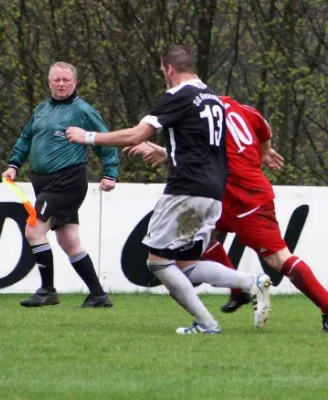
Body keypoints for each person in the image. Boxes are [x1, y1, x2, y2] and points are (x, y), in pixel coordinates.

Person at [66, 45, 272, 335]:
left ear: (170, 69)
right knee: (186, 263)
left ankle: (207, 324)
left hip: (185, 191)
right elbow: (200, 146)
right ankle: (250, 282)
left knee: (158, 263)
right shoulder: (211, 97)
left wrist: (87, 137)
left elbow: (137, 133)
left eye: (163, 71)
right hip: (212, 192)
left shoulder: (179, 96)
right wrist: (165, 152)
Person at [125, 95, 328, 333]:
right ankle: (238, 290)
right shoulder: (241, 109)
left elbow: (201, 155)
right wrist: (266, 151)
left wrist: (164, 152)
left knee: (278, 259)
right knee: (205, 236)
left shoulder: (204, 115)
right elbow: (264, 127)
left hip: (245, 198)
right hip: (224, 197)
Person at [1, 62, 119, 308]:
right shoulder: (41, 109)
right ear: (49, 82)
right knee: (69, 240)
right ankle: (98, 295)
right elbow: (26, 138)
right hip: (44, 183)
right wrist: (13, 164)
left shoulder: (82, 110)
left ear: (75, 83)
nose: (62, 84)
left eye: (66, 80)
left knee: (34, 229)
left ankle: (47, 290)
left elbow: (103, 139)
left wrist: (110, 173)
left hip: (67, 181)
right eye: (57, 80)